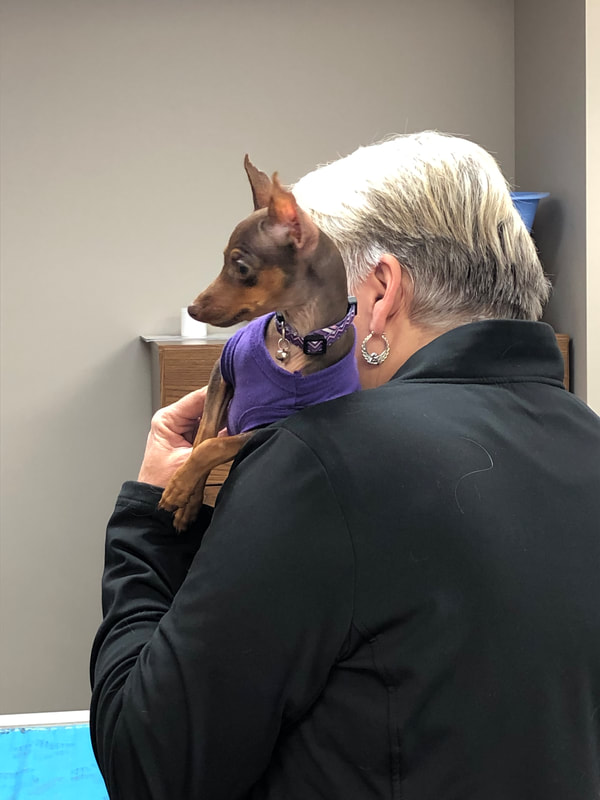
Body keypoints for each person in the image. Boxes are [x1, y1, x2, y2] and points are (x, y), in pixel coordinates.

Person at [90, 132, 600, 799]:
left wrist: (148, 521)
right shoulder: (587, 441)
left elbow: (150, 765)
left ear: (381, 294)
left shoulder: (320, 464)